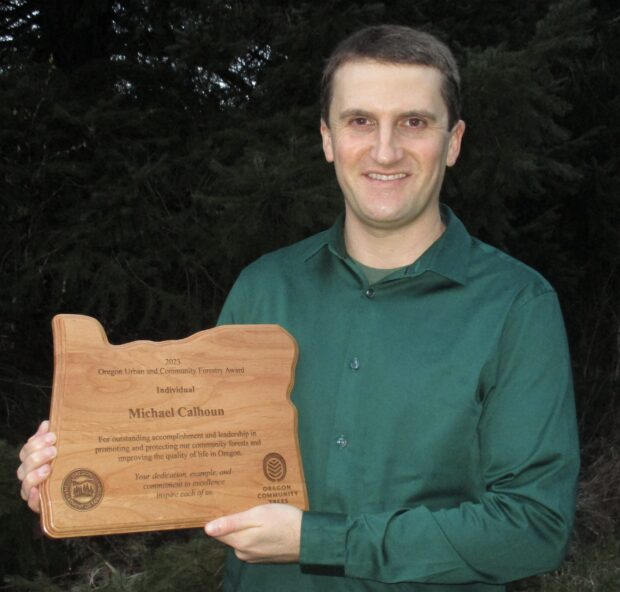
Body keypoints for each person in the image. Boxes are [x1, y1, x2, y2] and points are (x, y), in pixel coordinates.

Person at [18, 24, 579, 592]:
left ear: (453, 141)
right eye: (360, 121)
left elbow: (534, 527)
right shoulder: (263, 290)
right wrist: (80, 470)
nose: (385, 150)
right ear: (327, 139)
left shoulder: (516, 305)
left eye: (414, 122)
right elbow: (196, 460)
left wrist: (319, 540)